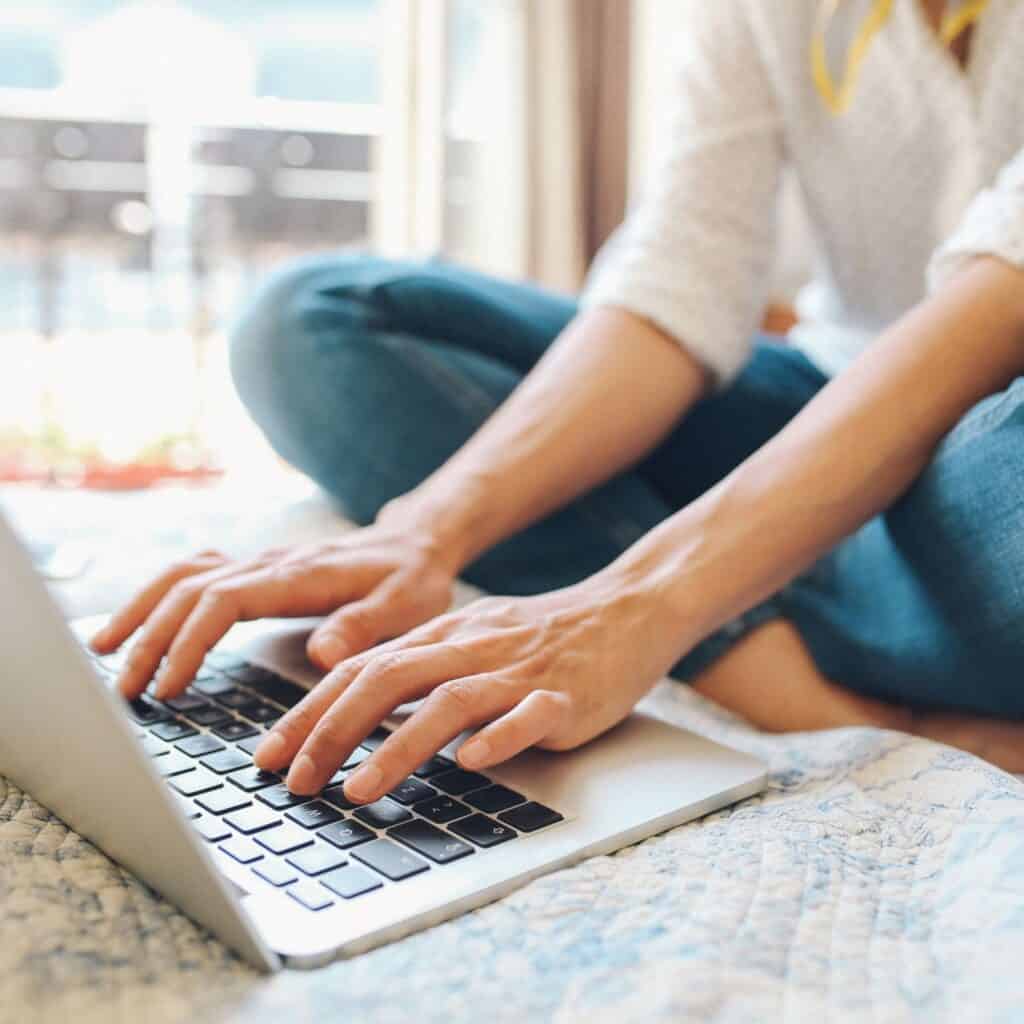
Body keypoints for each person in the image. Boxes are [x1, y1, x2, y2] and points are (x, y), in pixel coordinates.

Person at [93, 0, 1024, 802]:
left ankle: (775, 580)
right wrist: (429, 529)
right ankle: (806, 656)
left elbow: (1000, 303)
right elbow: (681, 275)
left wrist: (641, 601)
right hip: (819, 394)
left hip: (994, 451)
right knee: (311, 321)